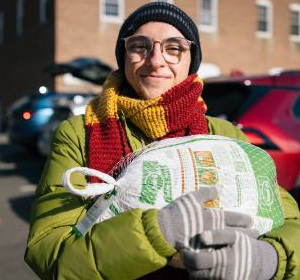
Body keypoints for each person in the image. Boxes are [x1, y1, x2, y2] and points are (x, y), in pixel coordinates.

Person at [25, 2, 300, 280]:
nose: (156, 60)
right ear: (124, 57)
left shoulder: (225, 136)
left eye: (174, 48)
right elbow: (52, 254)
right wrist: (158, 231)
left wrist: (269, 259)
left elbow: (288, 222)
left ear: (190, 60)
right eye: (139, 46)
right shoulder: (78, 134)